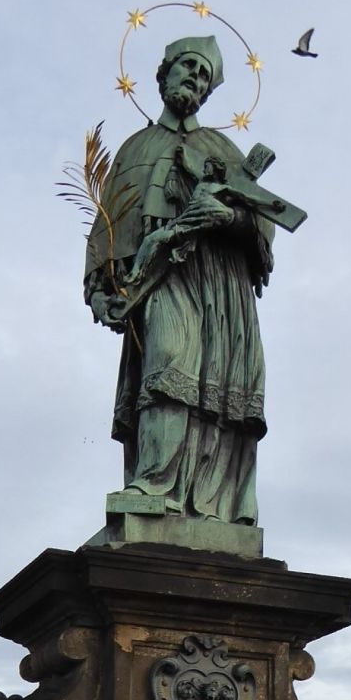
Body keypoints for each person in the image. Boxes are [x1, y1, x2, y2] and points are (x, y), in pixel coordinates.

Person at [85, 35, 274, 525]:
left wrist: (225, 219)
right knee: (168, 361)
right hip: (163, 278)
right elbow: (107, 229)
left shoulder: (222, 148)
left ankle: (219, 505)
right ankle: (154, 484)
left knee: (220, 387)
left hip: (222, 286)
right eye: (187, 66)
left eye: (204, 74)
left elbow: (263, 225)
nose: (195, 77)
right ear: (163, 74)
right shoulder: (137, 148)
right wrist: (101, 292)